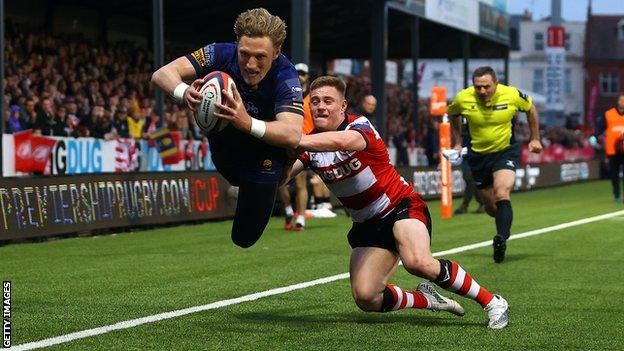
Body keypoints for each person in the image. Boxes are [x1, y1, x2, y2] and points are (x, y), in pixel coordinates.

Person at [285, 75, 510, 329]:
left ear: (343, 106)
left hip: (400, 206)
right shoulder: (309, 145)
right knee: (366, 297)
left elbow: (343, 142)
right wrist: (272, 159)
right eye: (315, 101)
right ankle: (426, 300)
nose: (320, 106)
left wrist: (294, 139)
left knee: (418, 262)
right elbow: (284, 176)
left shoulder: (358, 126)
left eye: (328, 100)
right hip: (366, 225)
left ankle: (493, 302)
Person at [151, 8, 304, 247]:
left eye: (260, 57)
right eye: (244, 54)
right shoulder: (219, 53)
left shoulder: (285, 74)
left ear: (276, 52)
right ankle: (281, 172)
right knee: (234, 175)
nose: (250, 64)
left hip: (264, 154)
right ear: (236, 46)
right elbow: (162, 74)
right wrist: (184, 92)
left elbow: (292, 133)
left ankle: (292, 167)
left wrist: (246, 122)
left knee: (243, 238)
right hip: (224, 146)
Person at [447, 66, 542, 263]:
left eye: (486, 87)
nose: (482, 91)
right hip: (478, 156)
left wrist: (535, 138)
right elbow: (453, 114)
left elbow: (531, 109)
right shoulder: (463, 98)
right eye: (478, 87)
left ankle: (501, 238)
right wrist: (457, 142)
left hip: (505, 151)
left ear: (496, 84)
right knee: (490, 207)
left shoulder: (512, 94)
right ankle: (502, 223)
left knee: (502, 192)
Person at [278, 63, 312, 231]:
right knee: (279, 180)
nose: (300, 76)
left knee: (300, 182)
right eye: (298, 73)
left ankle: (301, 217)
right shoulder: (285, 91)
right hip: (284, 140)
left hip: (303, 143)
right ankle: (289, 210)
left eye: (303, 73)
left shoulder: (311, 98)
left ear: (307, 76)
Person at [592, 92, 624, 203]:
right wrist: (594, 137)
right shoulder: (609, 114)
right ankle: (617, 196)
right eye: (621, 100)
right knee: (614, 174)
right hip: (613, 150)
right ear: (618, 101)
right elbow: (600, 128)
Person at [454, 118, 485, 215]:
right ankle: (482, 203)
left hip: (477, 153)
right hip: (466, 154)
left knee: (471, 180)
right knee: (469, 179)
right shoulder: (461, 120)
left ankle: (465, 205)